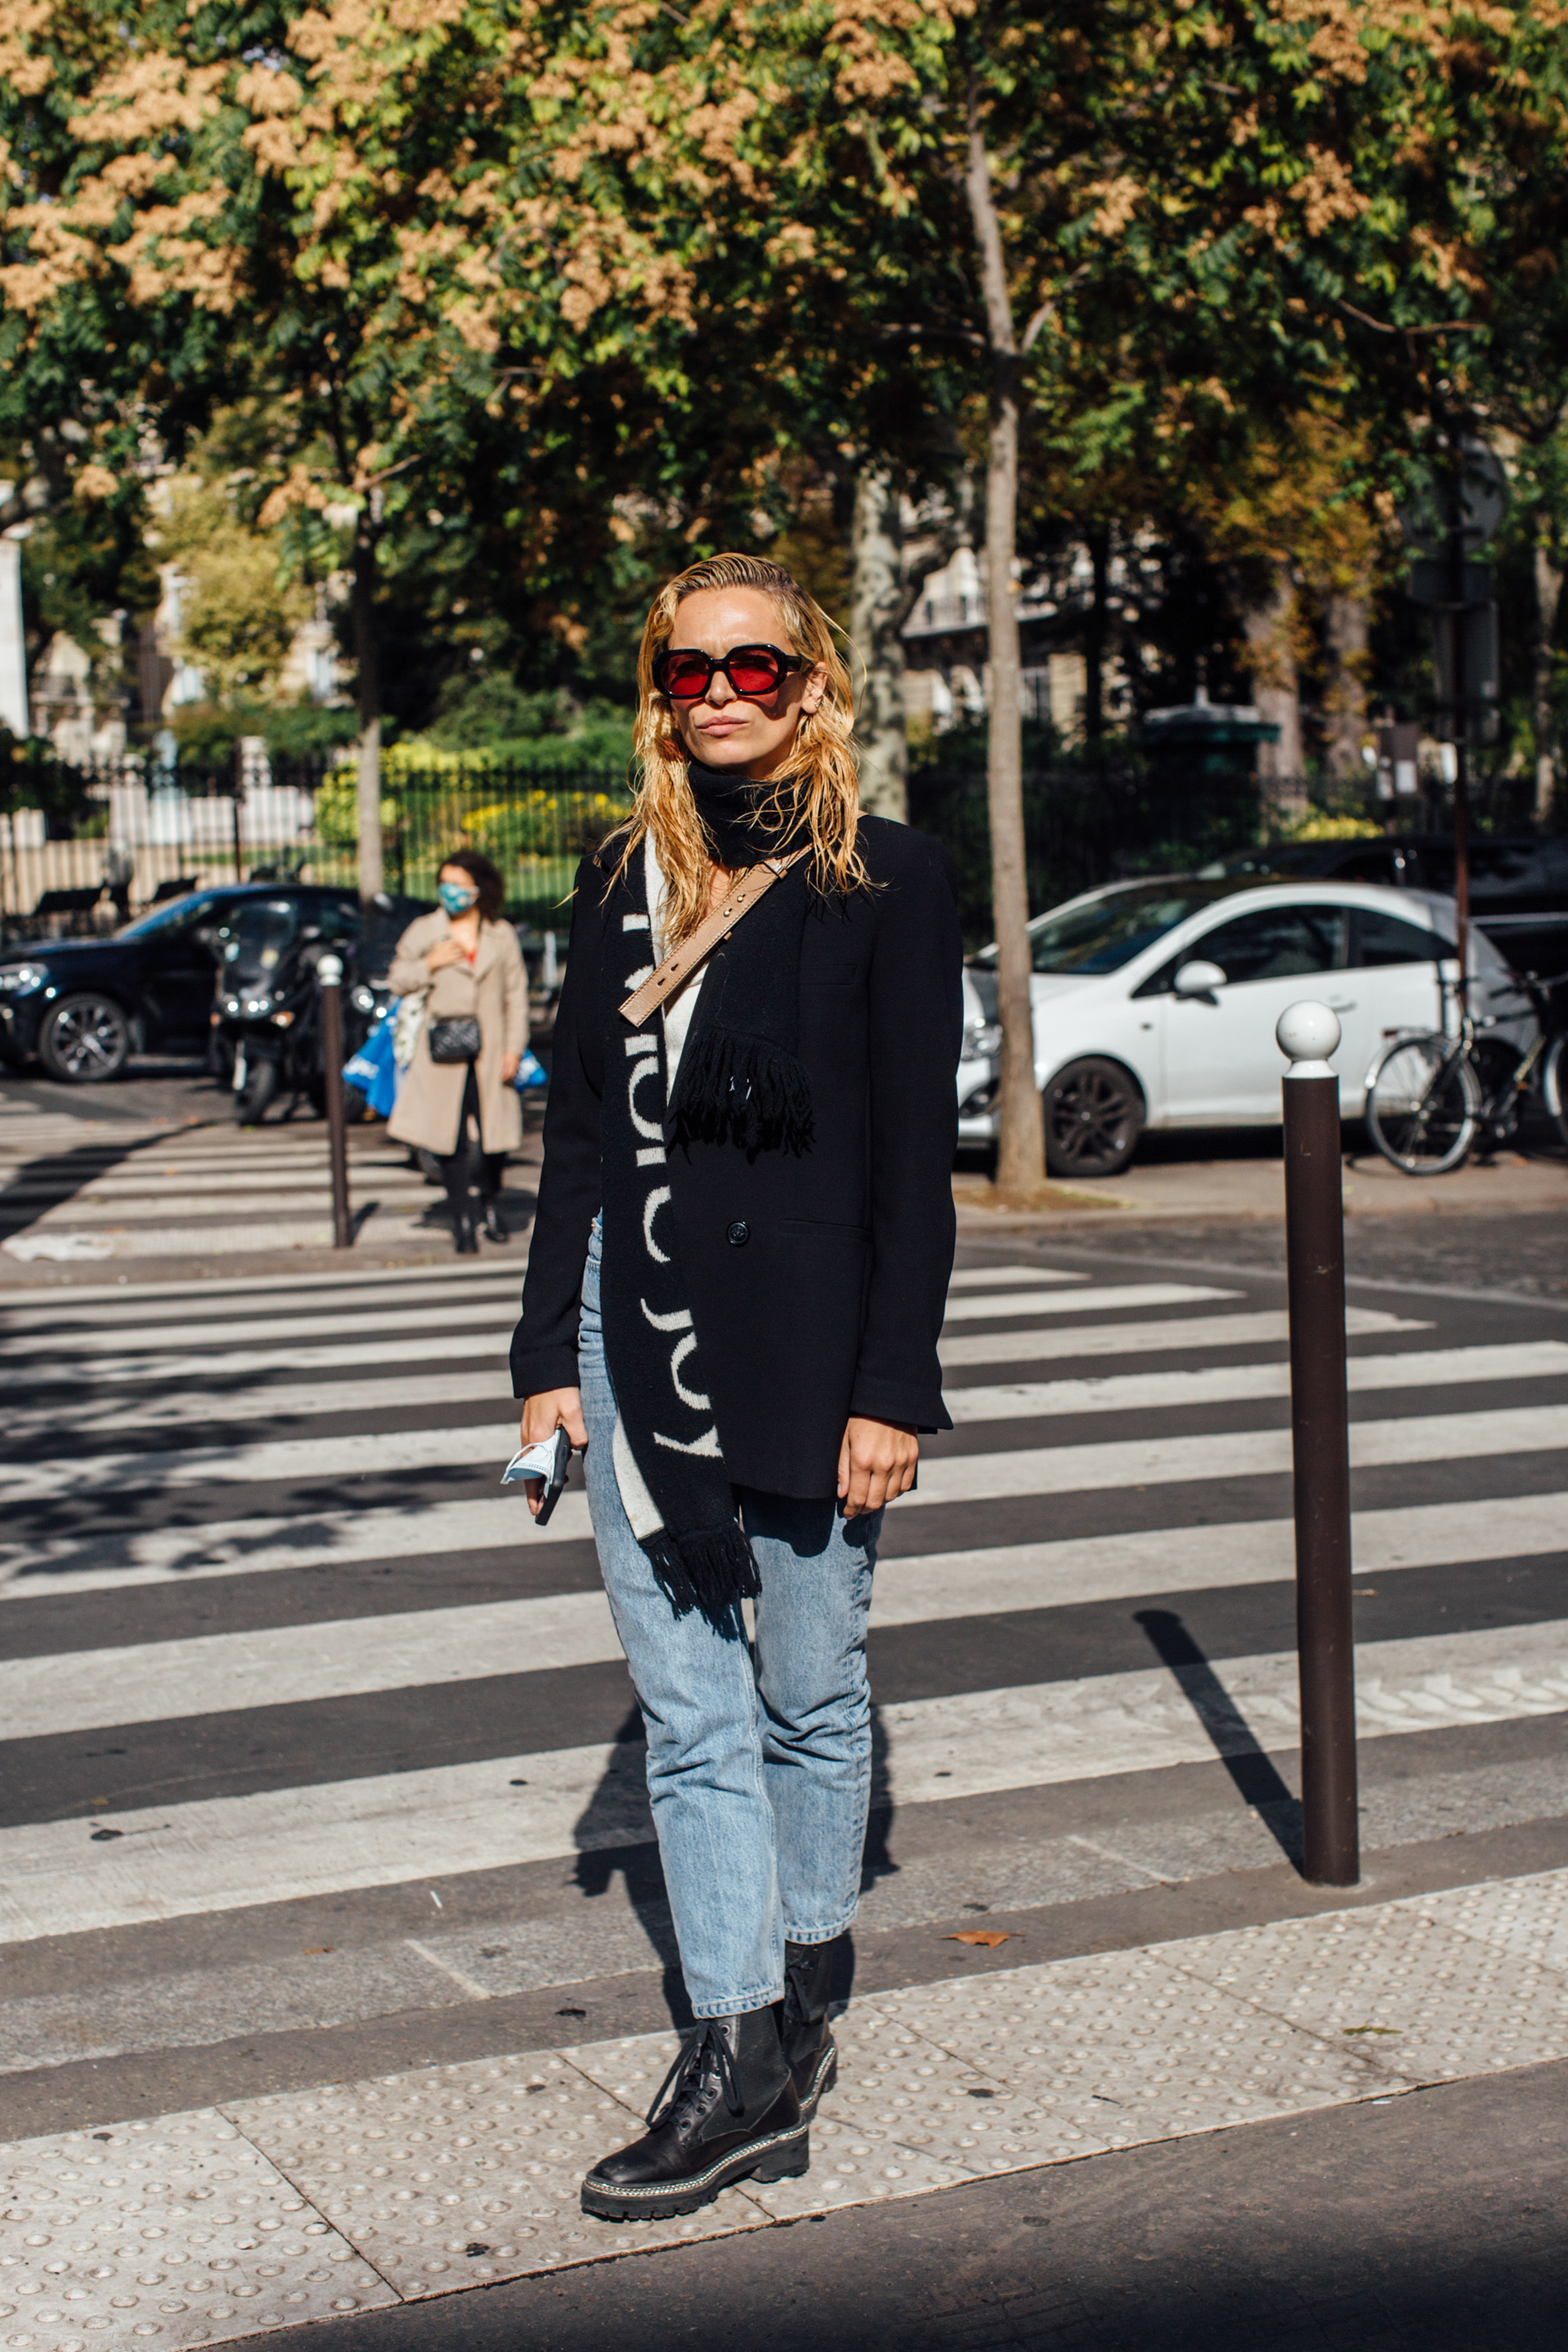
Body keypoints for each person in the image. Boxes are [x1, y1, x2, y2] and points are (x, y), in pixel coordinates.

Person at [510, 552, 962, 2220]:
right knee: (694, 1722)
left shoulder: (891, 884)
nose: (719, 696)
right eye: (689, 670)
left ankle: (807, 1969)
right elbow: (575, 1143)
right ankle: (739, 2052)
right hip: (642, 1347)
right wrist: (544, 1356)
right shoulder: (619, 876)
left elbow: (917, 1169)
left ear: (812, 684)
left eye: (753, 669)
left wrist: (892, 1390)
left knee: (810, 1697)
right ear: (658, 690)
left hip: (812, 1352)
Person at [388, 849, 526, 1254]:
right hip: (442, 1050)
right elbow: (397, 980)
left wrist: (514, 1050)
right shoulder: (425, 929)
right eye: (443, 883)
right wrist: (429, 964)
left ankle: (491, 1204)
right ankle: (463, 1218)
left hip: (491, 1048)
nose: (448, 892)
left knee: (495, 1137)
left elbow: (515, 996)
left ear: (478, 889)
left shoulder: (499, 934)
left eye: (458, 884)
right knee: (449, 1139)